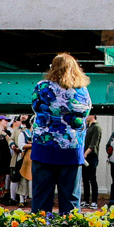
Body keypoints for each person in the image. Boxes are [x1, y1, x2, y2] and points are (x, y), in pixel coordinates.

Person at [28, 54, 91, 215]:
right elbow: (86, 111)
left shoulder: (43, 87)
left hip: (44, 147)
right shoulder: (81, 90)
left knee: (41, 197)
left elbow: (35, 106)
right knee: (70, 198)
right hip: (71, 149)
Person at [82, 114, 104, 207]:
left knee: (92, 178)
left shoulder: (97, 127)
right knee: (85, 179)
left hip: (91, 157)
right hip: (84, 157)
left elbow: (93, 144)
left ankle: (94, 201)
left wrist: (85, 154)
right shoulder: (87, 127)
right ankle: (86, 200)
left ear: (93, 115)